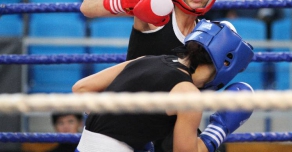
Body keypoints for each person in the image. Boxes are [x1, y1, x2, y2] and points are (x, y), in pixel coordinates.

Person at [80, 0, 224, 151]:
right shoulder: (156, 14)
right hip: (129, 124)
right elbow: (87, 7)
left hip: (169, 127)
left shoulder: (209, 38)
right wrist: (125, 0)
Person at [73, 19, 255, 152]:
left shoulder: (147, 60)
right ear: (226, 63)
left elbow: (81, 89)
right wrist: (218, 130)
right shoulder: (188, 94)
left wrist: (122, 129)